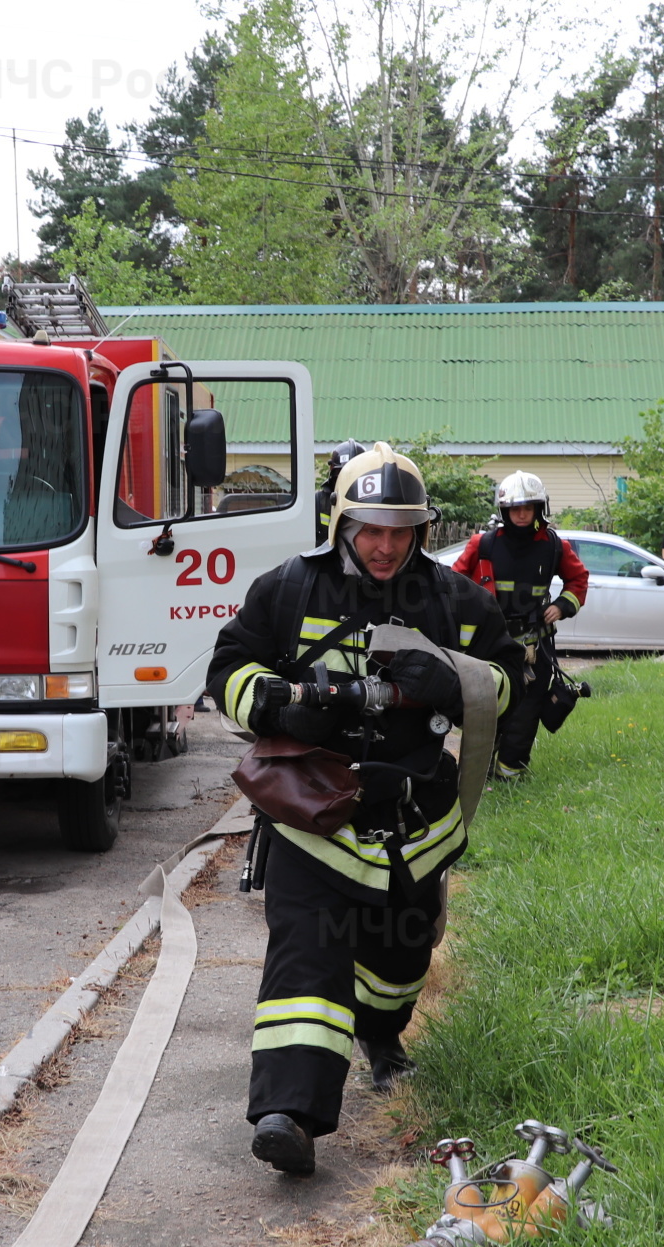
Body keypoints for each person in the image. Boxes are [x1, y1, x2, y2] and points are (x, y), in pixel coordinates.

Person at [208, 443, 523, 1176]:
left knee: (399, 958)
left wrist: (453, 678)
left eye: (400, 530)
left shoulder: (454, 601)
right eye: (370, 528)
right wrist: (282, 704)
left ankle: (383, 1037)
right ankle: (289, 1112)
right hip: (314, 819)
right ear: (342, 522)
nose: (385, 546)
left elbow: (512, 683)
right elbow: (227, 669)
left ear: (420, 530)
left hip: (413, 825)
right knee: (306, 955)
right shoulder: (289, 589)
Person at [452, 472, 590, 778]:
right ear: (504, 511)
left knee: (527, 711)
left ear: (540, 508)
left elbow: (579, 579)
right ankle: (477, 771)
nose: (523, 513)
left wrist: (562, 605)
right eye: (516, 508)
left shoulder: (554, 546)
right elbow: (455, 583)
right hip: (488, 644)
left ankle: (510, 772)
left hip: (533, 646)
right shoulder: (483, 544)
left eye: (529, 507)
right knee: (483, 707)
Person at [313, 440, 366, 544]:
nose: (346, 481)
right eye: (341, 475)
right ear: (332, 473)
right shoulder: (318, 502)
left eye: (352, 476)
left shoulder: (373, 504)